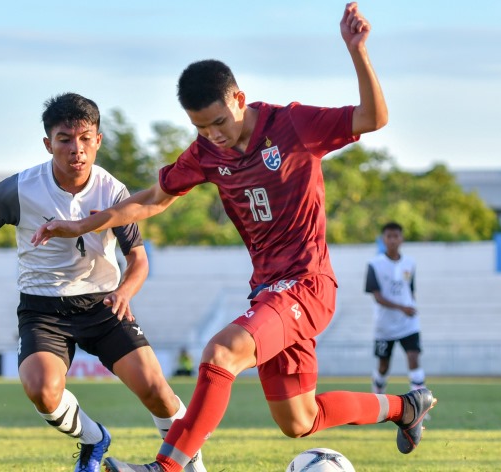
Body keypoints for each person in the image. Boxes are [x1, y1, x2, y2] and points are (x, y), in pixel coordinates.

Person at [33, 5, 436, 471]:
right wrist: (84, 224)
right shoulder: (206, 151)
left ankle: (167, 467)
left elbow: (373, 117)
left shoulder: (293, 125)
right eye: (200, 127)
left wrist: (358, 51)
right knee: (299, 420)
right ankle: (406, 407)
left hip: (307, 284)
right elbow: (154, 198)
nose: (213, 135)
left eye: (219, 122)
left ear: (239, 99)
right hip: (268, 290)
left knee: (221, 351)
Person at [0, 93, 205, 472]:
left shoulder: (112, 190)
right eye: (64, 139)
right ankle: (94, 438)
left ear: (98, 140)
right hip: (42, 308)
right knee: (42, 391)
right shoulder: (21, 189)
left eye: (84, 138)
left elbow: (139, 259)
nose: (75, 149)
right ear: (48, 144)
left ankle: (191, 463)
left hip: (103, 304)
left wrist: (125, 291)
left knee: (156, 391)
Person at [365, 222, 426, 394]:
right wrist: (402, 307)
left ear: (402, 239)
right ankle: (377, 394)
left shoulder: (410, 263)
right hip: (384, 326)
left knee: (414, 358)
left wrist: (410, 308)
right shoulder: (374, 265)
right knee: (384, 366)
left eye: (396, 236)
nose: (392, 240)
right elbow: (377, 297)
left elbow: (410, 290)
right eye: (389, 236)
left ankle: (421, 401)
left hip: (408, 323)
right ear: (383, 239)